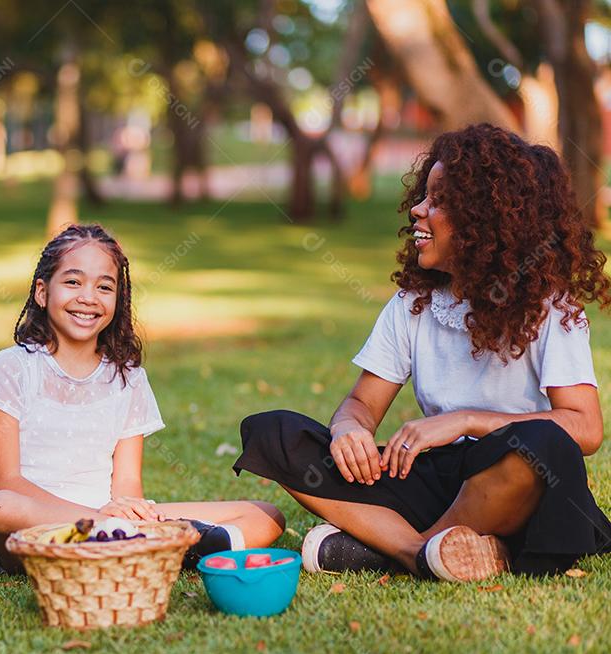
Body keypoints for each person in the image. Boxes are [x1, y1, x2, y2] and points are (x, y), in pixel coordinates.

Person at [235, 124, 611, 582]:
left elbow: (585, 428)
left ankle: (394, 548)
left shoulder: (549, 307)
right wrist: (348, 431)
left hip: (515, 479)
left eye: (438, 201)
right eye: (423, 196)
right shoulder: (414, 304)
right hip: (432, 479)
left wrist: (467, 419)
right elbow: (360, 404)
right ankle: (422, 552)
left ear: (485, 220)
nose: (417, 209)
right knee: (274, 432)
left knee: (543, 444)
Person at [0, 223, 285, 573]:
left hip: (115, 520)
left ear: (118, 298)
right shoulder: (11, 368)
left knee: (265, 514)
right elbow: (8, 482)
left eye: (104, 286)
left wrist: (128, 511)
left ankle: (154, 548)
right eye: (73, 282)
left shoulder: (127, 375)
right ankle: (144, 548)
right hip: (40, 525)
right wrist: (99, 519)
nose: (88, 297)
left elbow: (127, 482)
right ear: (43, 292)